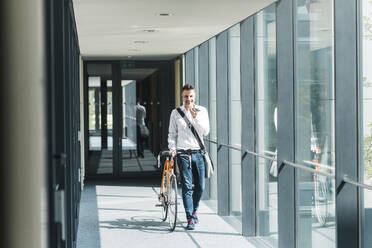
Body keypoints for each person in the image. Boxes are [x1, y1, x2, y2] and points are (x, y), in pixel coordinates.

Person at [167, 84, 210, 230]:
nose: (188, 99)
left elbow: (206, 131)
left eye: (191, 96)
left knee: (201, 187)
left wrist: (195, 117)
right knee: (187, 187)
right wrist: (172, 149)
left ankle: (194, 209)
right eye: (186, 96)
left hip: (198, 152)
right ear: (182, 97)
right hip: (183, 153)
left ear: (195, 96)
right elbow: (172, 134)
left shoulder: (202, 111)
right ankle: (190, 218)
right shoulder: (175, 113)